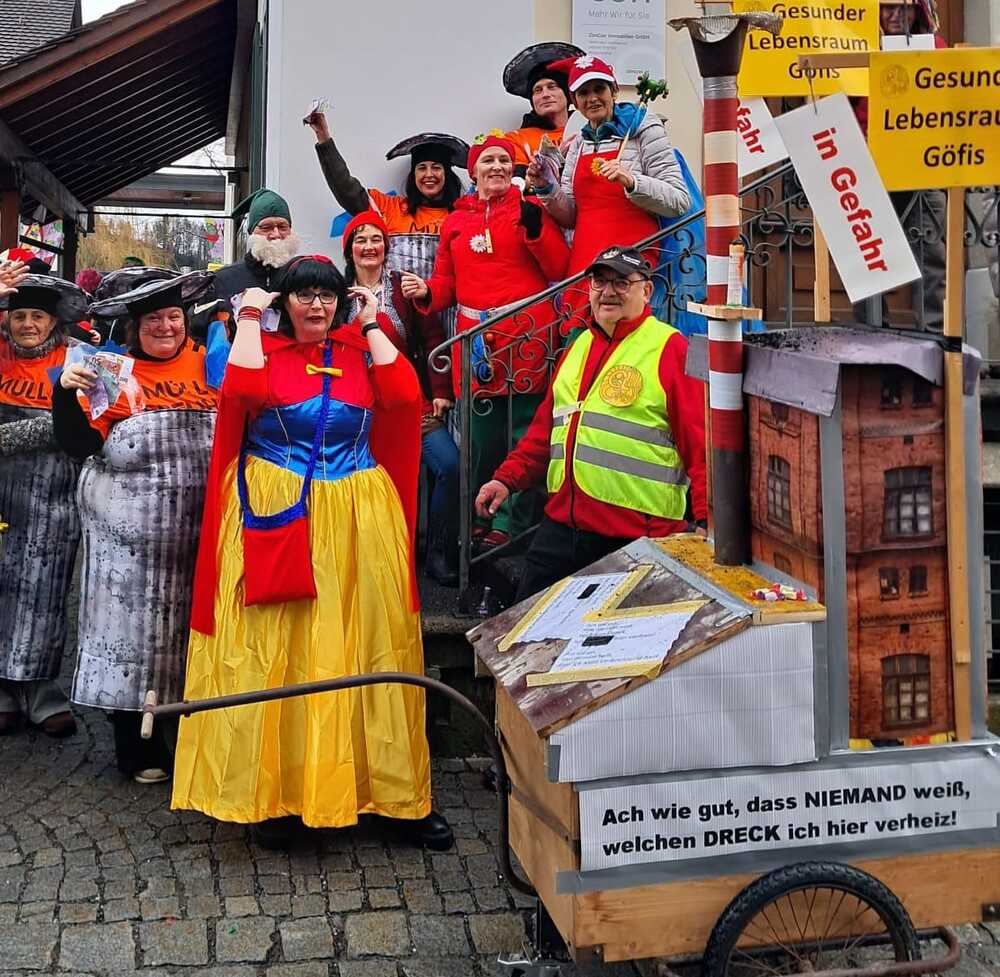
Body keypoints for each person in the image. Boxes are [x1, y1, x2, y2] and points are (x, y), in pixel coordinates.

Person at [172, 255, 453, 853]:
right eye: (303, 294)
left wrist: (372, 323)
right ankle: (276, 793)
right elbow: (241, 392)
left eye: (327, 295)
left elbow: (405, 397)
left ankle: (393, 794)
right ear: (285, 301)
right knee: (281, 648)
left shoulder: (358, 352)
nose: (317, 305)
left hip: (357, 514)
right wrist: (251, 319)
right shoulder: (263, 351)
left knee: (370, 641)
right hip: (278, 509)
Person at [52, 272, 223, 784]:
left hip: (201, 531)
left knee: (189, 635)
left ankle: (192, 732)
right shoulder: (109, 371)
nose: (167, 327)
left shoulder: (209, 361)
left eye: (174, 317)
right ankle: (134, 740)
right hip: (128, 542)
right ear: (133, 326)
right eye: (154, 320)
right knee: (133, 639)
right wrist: (63, 394)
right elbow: (80, 445)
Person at [475, 246, 707, 602]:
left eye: (621, 282)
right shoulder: (579, 345)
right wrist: (506, 479)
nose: (608, 291)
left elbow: (700, 444)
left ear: (646, 291)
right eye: (600, 281)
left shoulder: (669, 347)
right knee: (528, 623)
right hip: (563, 527)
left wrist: (707, 521)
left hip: (636, 537)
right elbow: (544, 433)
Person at [401, 134, 570, 549]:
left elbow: (559, 267)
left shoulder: (530, 209)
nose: (497, 167)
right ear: (473, 171)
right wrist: (426, 291)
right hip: (476, 347)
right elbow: (447, 283)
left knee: (522, 436)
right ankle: (482, 518)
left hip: (527, 341)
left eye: (503, 161)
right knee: (480, 442)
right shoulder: (456, 221)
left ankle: (513, 525)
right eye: (488, 161)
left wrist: (535, 230)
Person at [530, 55, 690, 335]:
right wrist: (547, 186)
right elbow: (570, 216)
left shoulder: (643, 129)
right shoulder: (579, 143)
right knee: (578, 338)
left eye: (599, 89)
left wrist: (632, 182)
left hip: (630, 260)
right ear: (574, 100)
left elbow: (679, 201)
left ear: (614, 90)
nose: (592, 98)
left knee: (623, 337)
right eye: (583, 92)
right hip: (585, 262)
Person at [343, 210, 460, 585]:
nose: (369, 246)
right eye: (361, 240)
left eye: (376, 239)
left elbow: (432, 338)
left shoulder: (402, 288)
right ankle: (379, 557)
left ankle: (437, 553)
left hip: (409, 401)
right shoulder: (336, 292)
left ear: (386, 247)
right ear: (349, 249)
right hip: (357, 407)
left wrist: (440, 391)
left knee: (450, 466)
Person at [0, 270, 88, 737]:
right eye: (19, 316)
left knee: (45, 593)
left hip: (53, 500)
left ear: (54, 322)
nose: (28, 325)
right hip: (2, 499)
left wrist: (6, 436)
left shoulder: (73, 359)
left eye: (38, 316)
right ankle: (1, 689)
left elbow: (79, 428)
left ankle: (40, 691)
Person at [851, 0, 946, 332]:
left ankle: (935, 335)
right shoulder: (855, 46)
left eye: (904, 9)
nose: (895, 16)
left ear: (918, 12)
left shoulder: (934, 48)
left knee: (931, 251)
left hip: (920, 165)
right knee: (867, 251)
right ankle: (873, 332)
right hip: (868, 163)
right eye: (887, 8)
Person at [308, 113, 467, 277]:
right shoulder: (388, 208)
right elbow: (346, 188)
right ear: (413, 175)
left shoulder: (463, 216)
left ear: (447, 174)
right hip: (392, 294)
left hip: (445, 294)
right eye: (421, 168)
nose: (429, 174)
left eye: (436, 167)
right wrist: (324, 138)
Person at [501, 42, 582, 174]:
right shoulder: (515, 139)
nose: (545, 94)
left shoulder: (587, 130)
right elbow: (518, 181)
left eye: (552, 87)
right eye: (537, 90)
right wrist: (556, 161)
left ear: (567, 94)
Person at [213, 189, 300, 310]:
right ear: (251, 232)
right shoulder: (223, 279)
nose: (276, 234)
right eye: (266, 227)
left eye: (282, 227)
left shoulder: (300, 277)